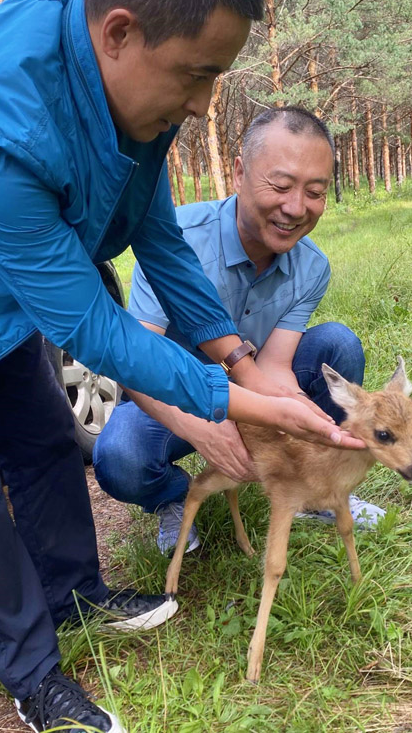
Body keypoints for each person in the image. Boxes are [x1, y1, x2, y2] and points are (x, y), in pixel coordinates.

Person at [0, 0, 356, 732]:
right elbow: (90, 324)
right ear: (120, 33)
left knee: (40, 432)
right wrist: (228, 400)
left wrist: (237, 358)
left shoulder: (130, 94)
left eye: (215, 78)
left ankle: (73, 596)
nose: (203, 105)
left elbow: (159, 242)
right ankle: (34, 678)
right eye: (196, 76)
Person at [94, 107, 386, 555]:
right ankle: (172, 497)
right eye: (281, 185)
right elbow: (137, 361)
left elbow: (274, 366)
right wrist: (201, 428)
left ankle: (316, 489)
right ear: (238, 171)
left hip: (251, 381)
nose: (295, 208)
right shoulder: (175, 240)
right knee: (120, 458)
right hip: (174, 392)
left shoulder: (312, 267)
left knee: (338, 345)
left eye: (315, 192)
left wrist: (299, 417)